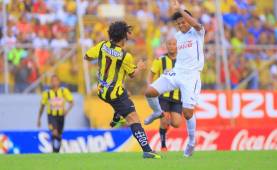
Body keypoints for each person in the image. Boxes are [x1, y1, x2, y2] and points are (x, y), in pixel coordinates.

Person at [84, 21, 161, 159]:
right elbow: (132, 75)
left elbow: (87, 56)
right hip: (114, 94)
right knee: (134, 118)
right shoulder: (125, 56)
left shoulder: (102, 45)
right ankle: (147, 150)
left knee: (126, 93)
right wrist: (140, 67)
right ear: (123, 37)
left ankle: (117, 116)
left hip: (101, 91)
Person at [144, 0, 205, 157]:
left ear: (189, 20)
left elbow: (195, 24)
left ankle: (191, 142)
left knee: (188, 114)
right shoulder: (178, 36)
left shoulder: (198, 32)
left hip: (191, 76)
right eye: (178, 24)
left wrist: (181, 10)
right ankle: (157, 112)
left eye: (183, 22)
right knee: (150, 91)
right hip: (177, 72)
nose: (181, 25)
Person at [148, 37, 182, 151]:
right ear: (166, 46)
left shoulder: (183, 61)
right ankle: (163, 145)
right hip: (163, 96)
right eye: (169, 44)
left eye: (174, 44)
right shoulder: (160, 60)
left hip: (178, 96)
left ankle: (166, 123)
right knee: (163, 120)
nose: (172, 46)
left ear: (177, 46)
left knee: (176, 123)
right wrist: (151, 88)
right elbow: (151, 74)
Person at [37, 75, 74, 153]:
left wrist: (66, 111)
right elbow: (42, 106)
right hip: (51, 116)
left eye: (56, 80)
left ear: (59, 82)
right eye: (52, 81)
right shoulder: (47, 93)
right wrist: (39, 119)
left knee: (59, 135)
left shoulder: (64, 91)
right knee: (55, 132)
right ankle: (54, 150)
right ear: (50, 82)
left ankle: (56, 151)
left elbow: (71, 102)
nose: (54, 82)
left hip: (61, 116)